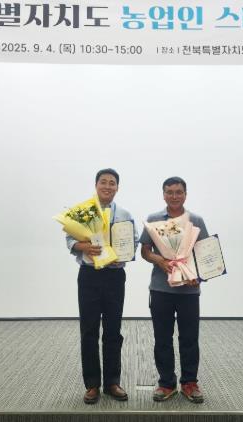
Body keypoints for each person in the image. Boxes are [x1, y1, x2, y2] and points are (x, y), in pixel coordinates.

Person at [66, 168, 138, 404]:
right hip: (89, 275)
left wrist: (124, 256)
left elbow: (133, 241)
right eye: (103, 182)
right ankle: (92, 385)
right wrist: (84, 247)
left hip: (114, 276)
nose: (108, 186)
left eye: (112, 183)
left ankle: (112, 382)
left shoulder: (125, 213)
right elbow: (69, 239)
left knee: (113, 330)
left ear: (117, 187)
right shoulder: (84, 211)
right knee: (88, 330)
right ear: (96, 185)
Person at [140, 176, 208, 404]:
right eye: (169, 192)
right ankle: (166, 383)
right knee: (162, 338)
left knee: (189, 338)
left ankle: (189, 383)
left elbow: (205, 252)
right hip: (161, 289)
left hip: (189, 291)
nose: (174, 196)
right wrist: (159, 260)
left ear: (185, 194)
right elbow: (145, 251)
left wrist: (197, 275)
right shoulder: (153, 219)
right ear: (163, 195)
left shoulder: (196, 220)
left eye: (179, 192)